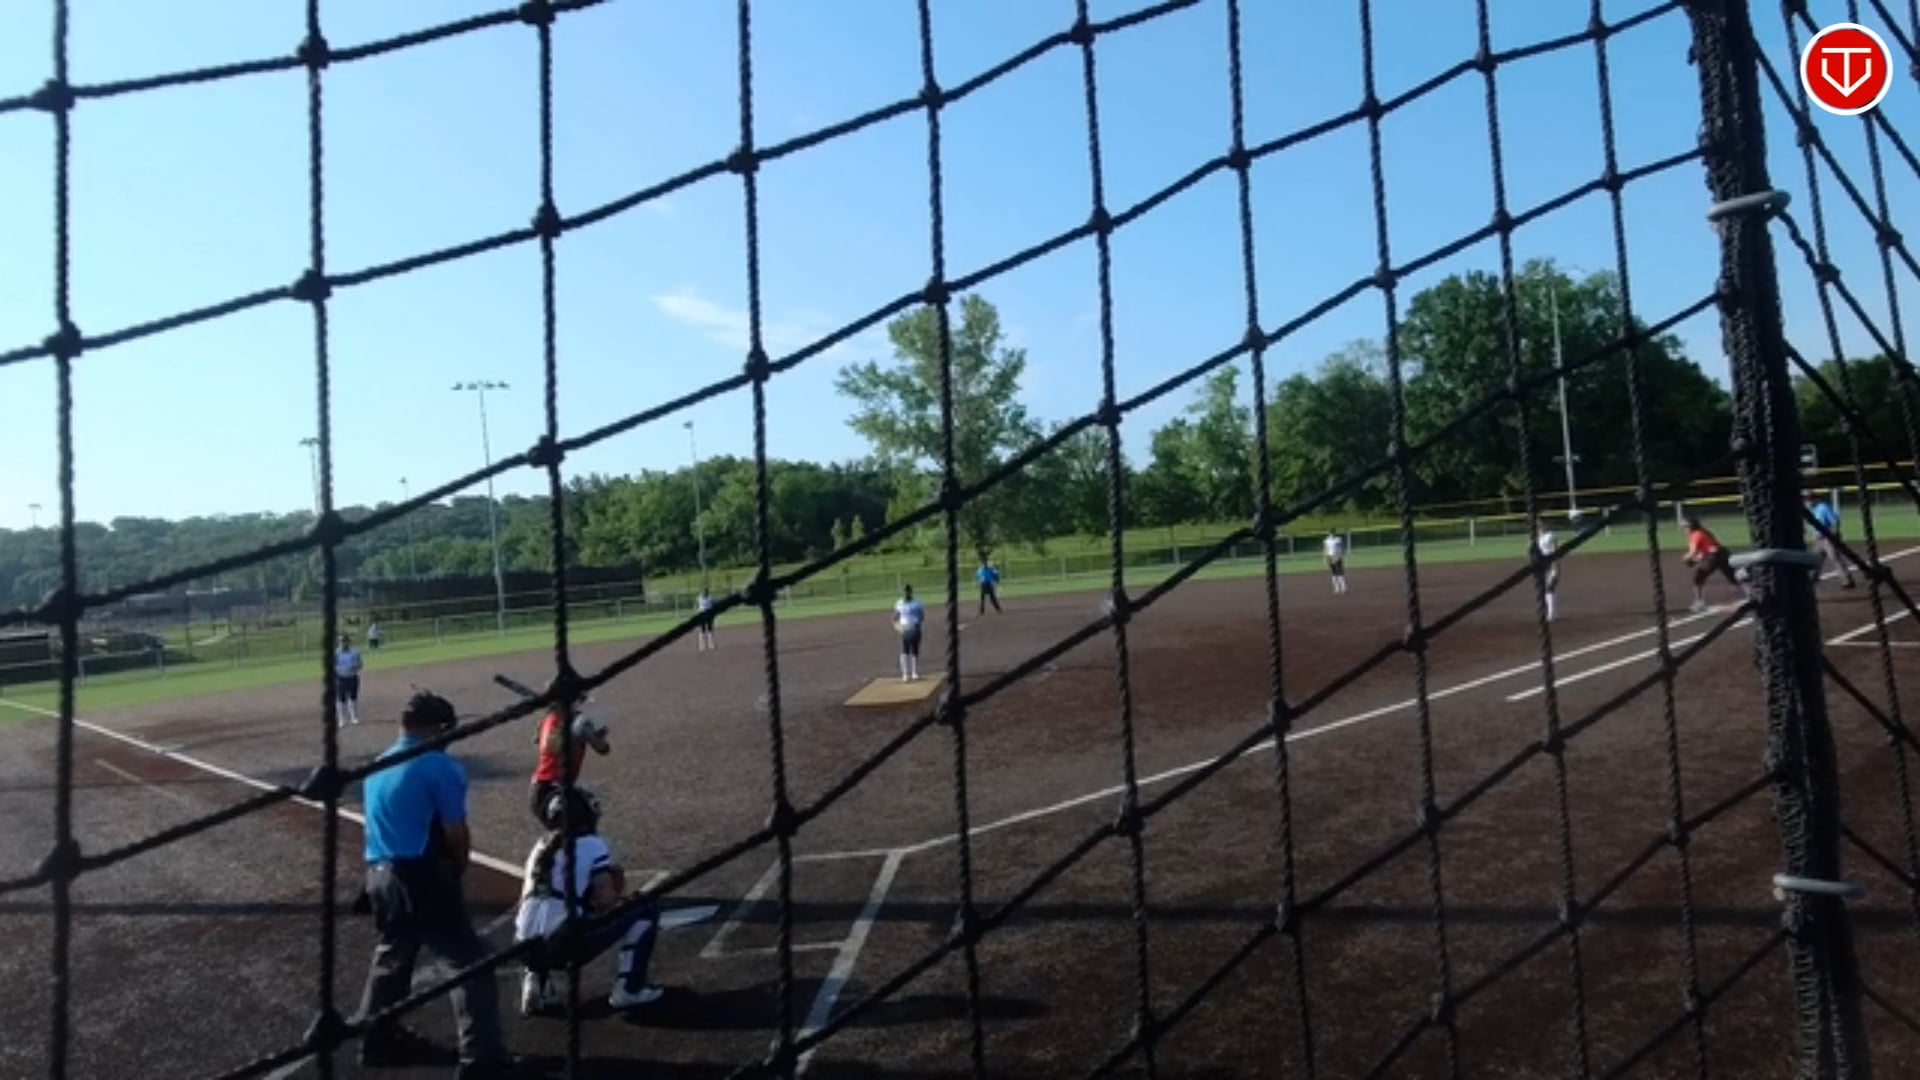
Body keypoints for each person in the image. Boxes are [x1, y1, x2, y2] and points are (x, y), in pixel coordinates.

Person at [353, 690, 514, 1078]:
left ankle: (376, 1041)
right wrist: (457, 867)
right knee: (471, 964)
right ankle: (481, 1061)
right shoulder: (439, 766)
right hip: (420, 876)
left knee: (392, 961)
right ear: (436, 728)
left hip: (378, 877)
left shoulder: (378, 764)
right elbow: (455, 831)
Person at [514, 786, 670, 1016]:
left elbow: (524, 903)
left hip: (522, 947)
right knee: (645, 907)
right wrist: (615, 890)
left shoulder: (538, 848)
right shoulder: (591, 844)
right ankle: (630, 989)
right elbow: (606, 900)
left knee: (545, 916)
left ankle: (536, 982)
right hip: (563, 944)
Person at [528, 679, 611, 826]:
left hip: (540, 790)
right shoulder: (578, 723)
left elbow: (543, 742)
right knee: (585, 819)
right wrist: (590, 735)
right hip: (554, 792)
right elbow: (603, 749)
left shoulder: (548, 720)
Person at [1684, 517, 1745, 613]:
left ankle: (1699, 603)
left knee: (1698, 576)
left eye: (1686, 526)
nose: (1684, 529)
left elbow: (1693, 552)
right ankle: (1751, 594)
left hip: (1714, 556)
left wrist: (1686, 558)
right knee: (1733, 577)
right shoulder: (1704, 532)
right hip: (1723, 554)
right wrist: (1696, 560)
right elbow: (1705, 551)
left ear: (1692, 527)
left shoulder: (1695, 535)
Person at [1807, 491, 1857, 589]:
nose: (1808, 502)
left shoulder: (1823, 507)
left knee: (1834, 558)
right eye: (1807, 500)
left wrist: (1834, 535)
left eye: (1809, 499)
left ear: (1815, 499)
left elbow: (1834, 521)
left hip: (1828, 538)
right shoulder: (1813, 509)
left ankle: (1847, 581)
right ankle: (1813, 577)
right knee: (1815, 558)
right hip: (1819, 539)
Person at [894, 584, 925, 683]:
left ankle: (914, 672)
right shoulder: (899, 603)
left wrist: (918, 625)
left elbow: (921, 616)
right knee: (904, 650)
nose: (905, 593)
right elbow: (895, 618)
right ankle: (905, 674)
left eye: (907, 591)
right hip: (904, 628)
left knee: (915, 650)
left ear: (910, 591)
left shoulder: (917, 602)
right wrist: (898, 628)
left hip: (915, 627)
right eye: (904, 591)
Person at [1533, 521, 1560, 623]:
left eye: (1540, 526)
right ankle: (1551, 613)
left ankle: (1551, 615)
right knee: (1547, 590)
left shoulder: (1551, 535)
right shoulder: (1538, 538)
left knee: (1550, 588)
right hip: (1544, 565)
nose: (1539, 529)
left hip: (1552, 563)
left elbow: (1555, 550)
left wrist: (1555, 564)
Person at [335, 633, 363, 727]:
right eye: (340, 641)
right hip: (340, 678)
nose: (342, 643)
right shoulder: (336, 653)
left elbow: (360, 664)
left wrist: (355, 666)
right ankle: (341, 720)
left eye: (344, 641)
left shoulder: (355, 652)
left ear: (348, 642)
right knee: (341, 699)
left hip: (352, 677)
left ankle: (353, 717)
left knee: (353, 697)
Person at [1323, 529, 1348, 595]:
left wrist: (1338, 556)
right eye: (1331, 533)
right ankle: (1336, 588)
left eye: (1333, 533)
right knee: (1334, 573)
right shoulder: (1327, 540)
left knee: (1340, 573)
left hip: (1337, 557)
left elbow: (1341, 549)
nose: (1332, 534)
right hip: (1330, 557)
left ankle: (1343, 588)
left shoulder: (1338, 539)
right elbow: (1326, 549)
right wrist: (1325, 558)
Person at [696, 587, 717, 652]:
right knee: (702, 630)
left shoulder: (710, 598)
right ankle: (701, 645)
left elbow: (714, 604)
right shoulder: (700, 598)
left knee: (710, 629)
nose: (705, 593)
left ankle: (710, 644)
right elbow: (698, 606)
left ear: (707, 593)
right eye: (704, 592)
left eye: (706, 592)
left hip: (709, 614)